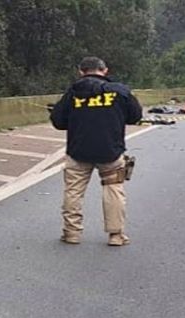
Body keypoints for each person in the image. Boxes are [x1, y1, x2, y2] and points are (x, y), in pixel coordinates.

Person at [49, 56, 143, 247]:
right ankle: (116, 235)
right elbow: (135, 116)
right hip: (110, 150)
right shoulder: (120, 91)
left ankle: (71, 233)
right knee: (114, 190)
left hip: (78, 150)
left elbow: (58, 121)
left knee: (73, 191)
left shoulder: (73, 93)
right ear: (105, 70)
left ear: (81, 71)